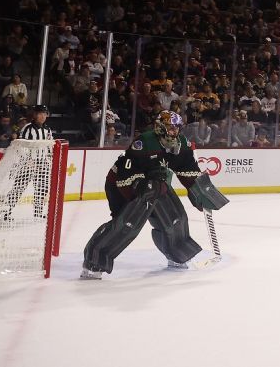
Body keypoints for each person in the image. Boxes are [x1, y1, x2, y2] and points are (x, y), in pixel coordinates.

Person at [81, 111, 228, 279]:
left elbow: (189, 172)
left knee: (176, 217)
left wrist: (200, 192)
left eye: (177, 128)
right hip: (122, 184)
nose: (174, 132)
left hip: (157, 185)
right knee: (127, 224)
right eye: (170, 128)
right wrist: (135, 202)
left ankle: (176, 254)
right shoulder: (144, 142)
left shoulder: (182, 144)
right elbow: (124, 175)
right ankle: (95, 261)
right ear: (160, 128)